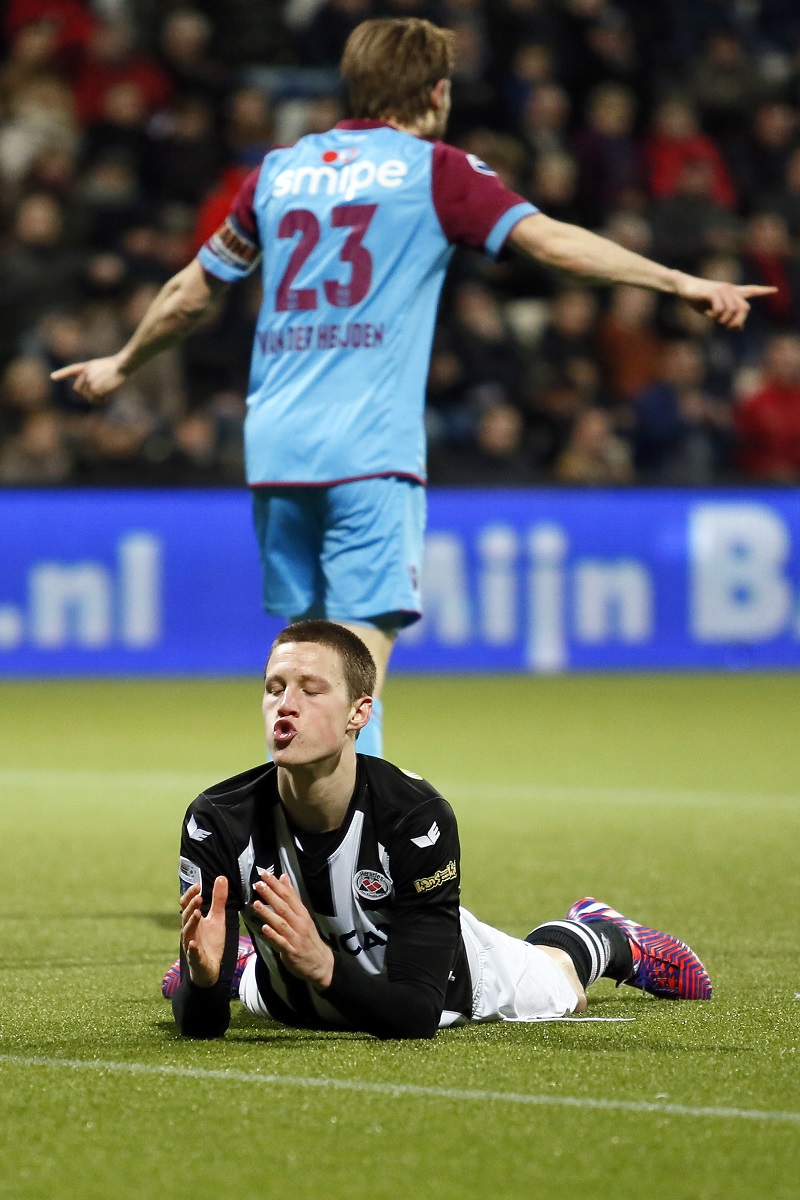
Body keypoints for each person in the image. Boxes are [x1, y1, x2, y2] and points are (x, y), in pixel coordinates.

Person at [51, 17, 774, 757]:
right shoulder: (433, 170)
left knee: (299, 673)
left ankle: (288, 853)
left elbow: (191, 292)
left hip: (277, 446)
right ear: (435, 93)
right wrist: (675, 278)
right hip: (369, 450)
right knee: (356, 679)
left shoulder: (278, 173)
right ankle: (362, 868)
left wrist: (122, 362)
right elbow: (549, 239)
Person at [161, 620, 712, 1040]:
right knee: (225, 970)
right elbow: (202, 1028)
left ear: (359, 713)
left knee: (564, 986)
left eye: (311, 689)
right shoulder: (216, 820)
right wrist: (204, 981)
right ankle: (245, 964)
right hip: (285, 991)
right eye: (274, 687)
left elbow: (417, 1014)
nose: (285, 705)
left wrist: (323, 965)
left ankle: (605, 937)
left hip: (452, 980)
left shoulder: (413, 816)